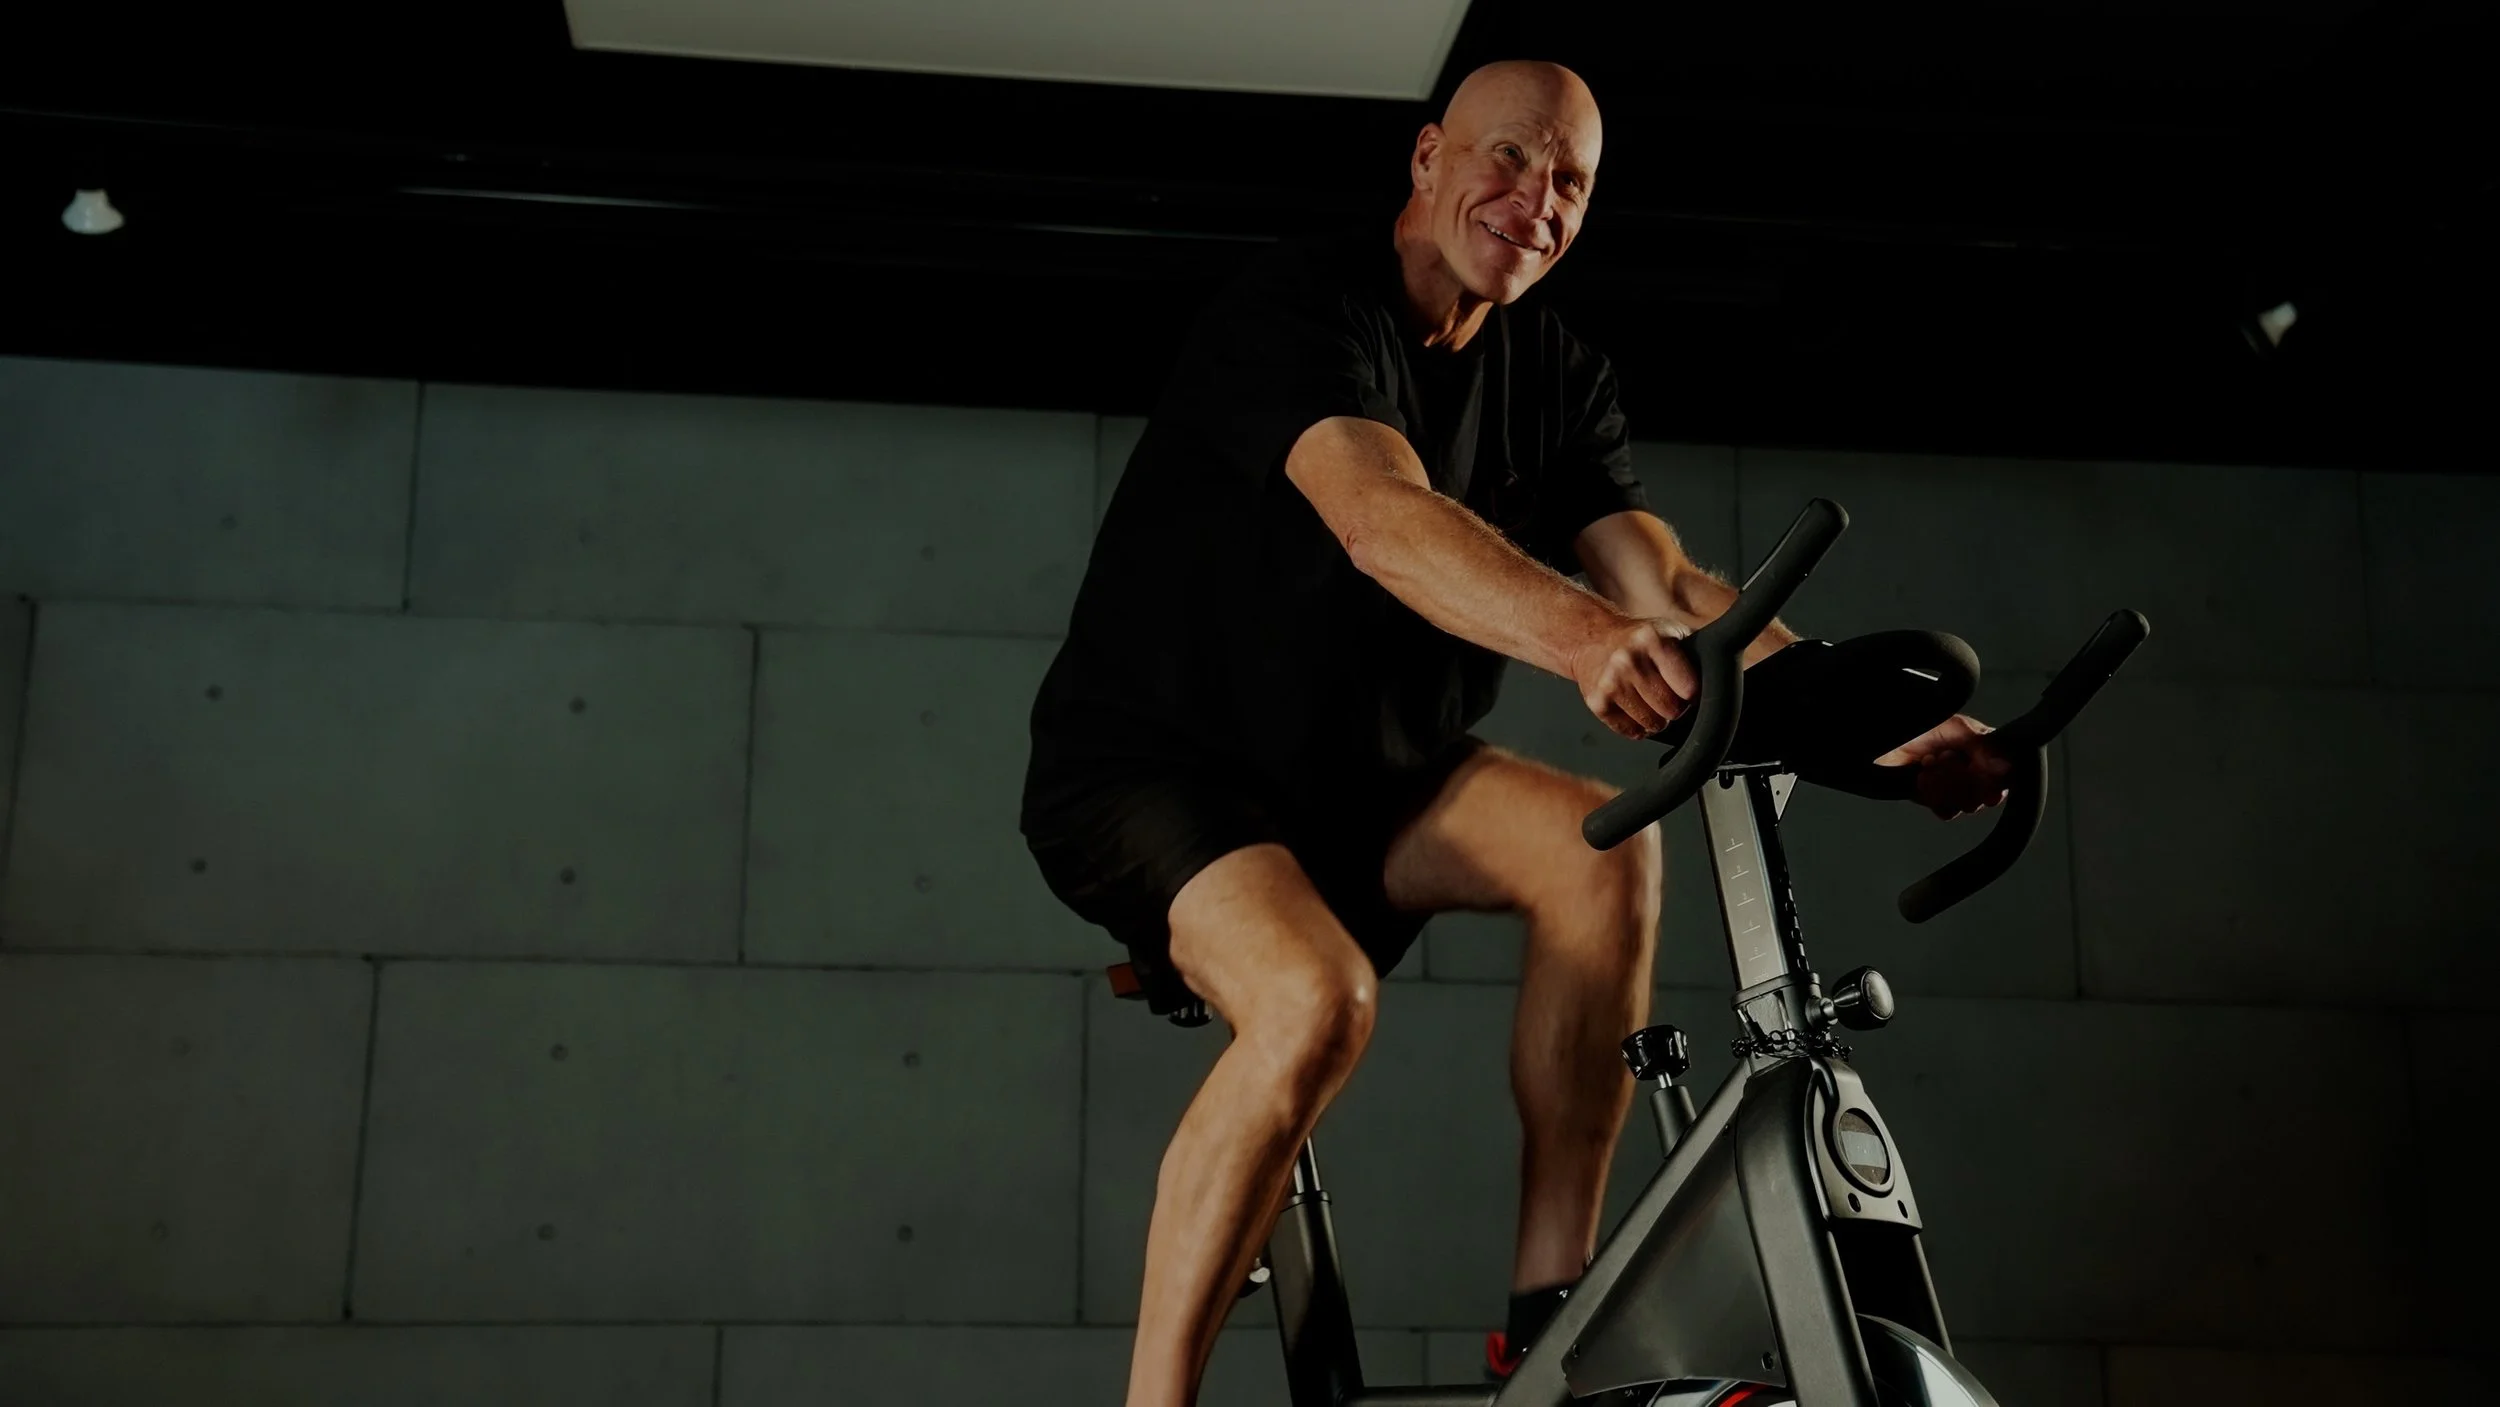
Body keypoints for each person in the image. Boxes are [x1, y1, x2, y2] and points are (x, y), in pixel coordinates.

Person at [1021, 59, 2010, 1407]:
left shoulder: (1558, 373)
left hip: (1371, 778)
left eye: (1570, 182)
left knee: (1600, 855)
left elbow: (1662, 582)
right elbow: (1380, 519)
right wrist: (1585, 640)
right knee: (1316, 998)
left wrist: (1876, 725)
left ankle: (1548, 1325)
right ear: (1428, 157)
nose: (1536, 199)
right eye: (1508, 157)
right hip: (1159, 770)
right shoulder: (1298, 310)